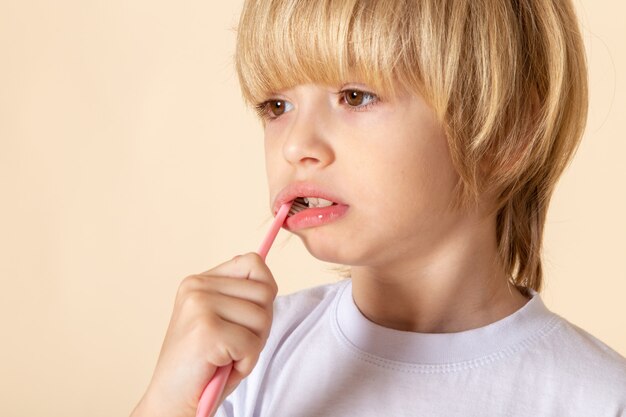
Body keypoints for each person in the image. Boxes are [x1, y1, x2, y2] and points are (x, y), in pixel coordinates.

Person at [131, 0, 626, 416]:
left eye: (354, 96)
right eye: (276, 107)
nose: (295, 146)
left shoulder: (600, 398)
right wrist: (164, 402)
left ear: (507, 131)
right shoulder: (241, 362)